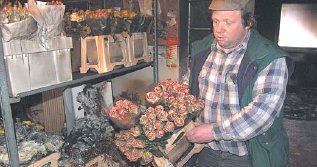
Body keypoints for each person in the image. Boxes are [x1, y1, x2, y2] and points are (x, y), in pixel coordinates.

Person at [184, 0, 292, 166]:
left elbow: (261, 113)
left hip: (248, 154)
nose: (219, 29)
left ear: (248, 22)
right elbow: (188, 86)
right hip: (206, 150)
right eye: (216, 21)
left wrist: (213, 131)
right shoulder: (201, 49)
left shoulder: (268, 57)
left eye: (228, 22)